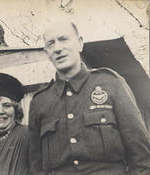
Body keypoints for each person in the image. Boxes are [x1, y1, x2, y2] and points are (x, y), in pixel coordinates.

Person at [28, 20, 150, 175]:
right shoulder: (40, 102)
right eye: (51, 44)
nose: (58, 48)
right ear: (47, 53)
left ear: (80, 44)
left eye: (64, 39)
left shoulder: (110, 83)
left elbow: (142, 158)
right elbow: (36, 167)